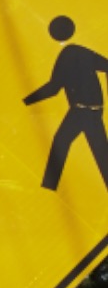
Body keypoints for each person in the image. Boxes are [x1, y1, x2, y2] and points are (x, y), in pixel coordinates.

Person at [26, 14, 108, 191]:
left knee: (71, 143)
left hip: (82, 112)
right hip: (90, 111)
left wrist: (28, 100)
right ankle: (49, 185)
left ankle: (49, 185)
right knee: (67, 142)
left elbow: (54, 88)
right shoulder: (79, 51)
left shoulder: (67, 55)